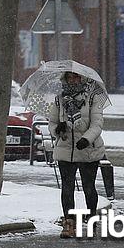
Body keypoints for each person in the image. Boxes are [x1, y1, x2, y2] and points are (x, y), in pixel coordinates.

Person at [49, 71, 107, 238]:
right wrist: (56, 129)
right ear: (65, 79)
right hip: (65, 148)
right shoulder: (60, 98)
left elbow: (97, 124)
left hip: (88, 148)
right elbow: (52, 122)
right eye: (69, 78)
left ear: (82, 79)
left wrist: (86, 139)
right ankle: (69, 224)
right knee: (67, 188)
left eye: (76, 77)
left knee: (88, 187)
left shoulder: (93, 97)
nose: (72, 80)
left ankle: (91, 219)